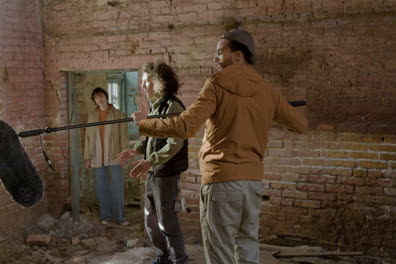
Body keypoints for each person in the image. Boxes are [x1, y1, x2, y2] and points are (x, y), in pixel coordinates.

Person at [132, 29, 308, 264]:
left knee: (220, 254)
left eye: (219, 53)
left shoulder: (216, 84)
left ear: (237, 56)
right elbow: (300, 124)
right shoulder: (268, 91)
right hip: (252, 185)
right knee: (247, 249)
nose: (215, 59)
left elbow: (185, 126)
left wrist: (144, 123)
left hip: (222, 182)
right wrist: (267, 108)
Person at [117, 61, 189, 264]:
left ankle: (180, 259)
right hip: (153, 172)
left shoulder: (172, 106)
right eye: (143, 82)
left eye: (147, 81)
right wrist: (137, 151)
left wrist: (150, 161)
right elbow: (154, 137)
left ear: (160, 82)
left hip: (166, 173)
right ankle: (162, 256)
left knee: (166, 220)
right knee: (150, 219)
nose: (143, 86)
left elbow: (174, 143)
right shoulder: (155, 106)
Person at [84, 87, 129, 226]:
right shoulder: (92, 116)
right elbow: (87, 137)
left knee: (116, 187)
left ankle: (120, 217)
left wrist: (124, 155)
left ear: (106, 97)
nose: (99, 99)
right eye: (96, 98)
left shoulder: (119, 115)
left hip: (115, 155)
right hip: (97, 156)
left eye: (101, 96)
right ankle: (106, 216)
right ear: (94, 100)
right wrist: (87, 157)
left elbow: (124, 137)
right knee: (101, 187)